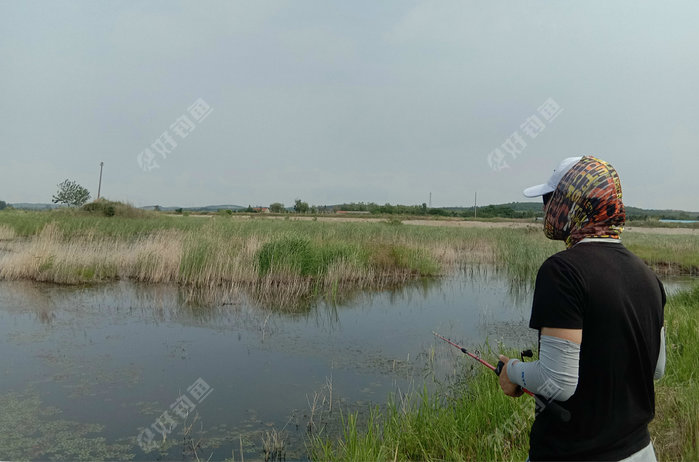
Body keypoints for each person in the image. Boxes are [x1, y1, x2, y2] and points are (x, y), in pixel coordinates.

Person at [497, 156, 666, 461]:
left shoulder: (561, 271)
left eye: (550, 199)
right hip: (640, 451)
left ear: (573, 204)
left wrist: (512, 371)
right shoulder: (647, 275)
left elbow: (557, 382)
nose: (545, 209)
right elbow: (656, 367)